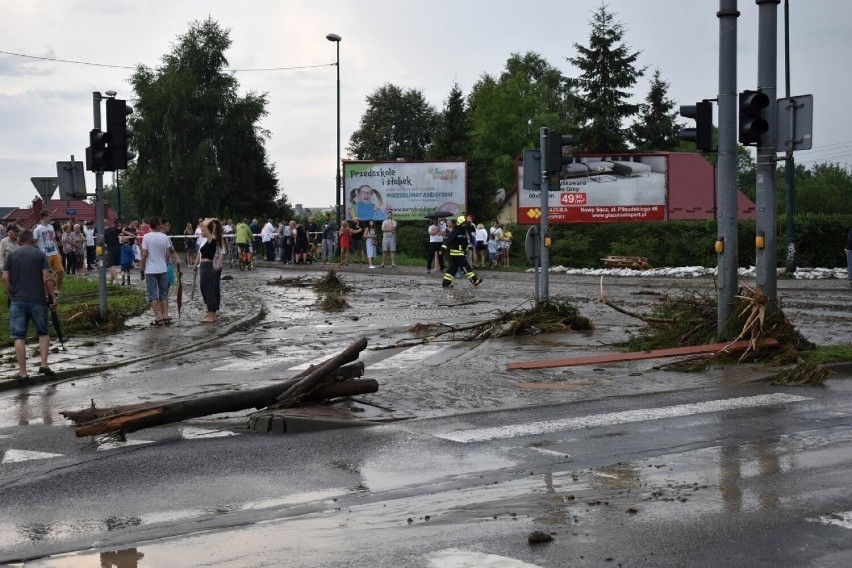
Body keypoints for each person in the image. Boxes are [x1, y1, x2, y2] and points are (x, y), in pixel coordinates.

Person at [3, 229, 58, 380]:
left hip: (18, 301)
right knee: (43, 332)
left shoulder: (11, 256)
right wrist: (52, 296)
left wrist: (11, 293)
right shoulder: (39, 254)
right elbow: (46, 276)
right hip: (38, 300)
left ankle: (23, 372)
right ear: (33, 241)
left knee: (19, 336)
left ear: (19, 242)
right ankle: (44, 364)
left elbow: (5, 277)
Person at [140, 216, 180, 326]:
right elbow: (168, 254)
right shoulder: (164, 237)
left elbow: (144, 255)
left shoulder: (146, 237)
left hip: (150, 270)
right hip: (163, 269)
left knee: (152, 294)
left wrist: (141, 269)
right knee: (164, 294)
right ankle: (166, 316)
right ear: (158, 225)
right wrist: (166, 263)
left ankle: (158, 318)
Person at [196, 218, 224, 323]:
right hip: (205, 266)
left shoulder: (211, 240)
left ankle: (211, 316)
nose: (202, 231)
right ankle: (211, 314)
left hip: (207, 266)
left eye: (204, 230)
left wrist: (210, 220)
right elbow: (204, 228)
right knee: (207, 290)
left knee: (208, 291)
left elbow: (205, 227)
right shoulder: (209, 240)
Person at [441, 215, 482, 288]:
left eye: (465, 223)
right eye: (463, 223)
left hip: (459, 252)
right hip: (457, 253)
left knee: (452, 269)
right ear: (459, 223)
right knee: (466, 266)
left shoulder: (464, 231)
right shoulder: (456, 230)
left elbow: (465, 242)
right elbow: (449, 239)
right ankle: (474, 280)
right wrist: (443, 248)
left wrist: (468, 247)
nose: (465, 224)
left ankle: (445, 283)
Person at [33, 210, 63, 294]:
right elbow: (33, 242)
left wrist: (59, 253)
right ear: (44, 217)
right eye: (50, 216)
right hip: (45, 254)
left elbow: (54, 240)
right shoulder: (37, 229)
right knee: (47, 275)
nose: (51, 217)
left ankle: (57, 290)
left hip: (54, 252)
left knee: (60, 271)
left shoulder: (51, 227)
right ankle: (47, 293)